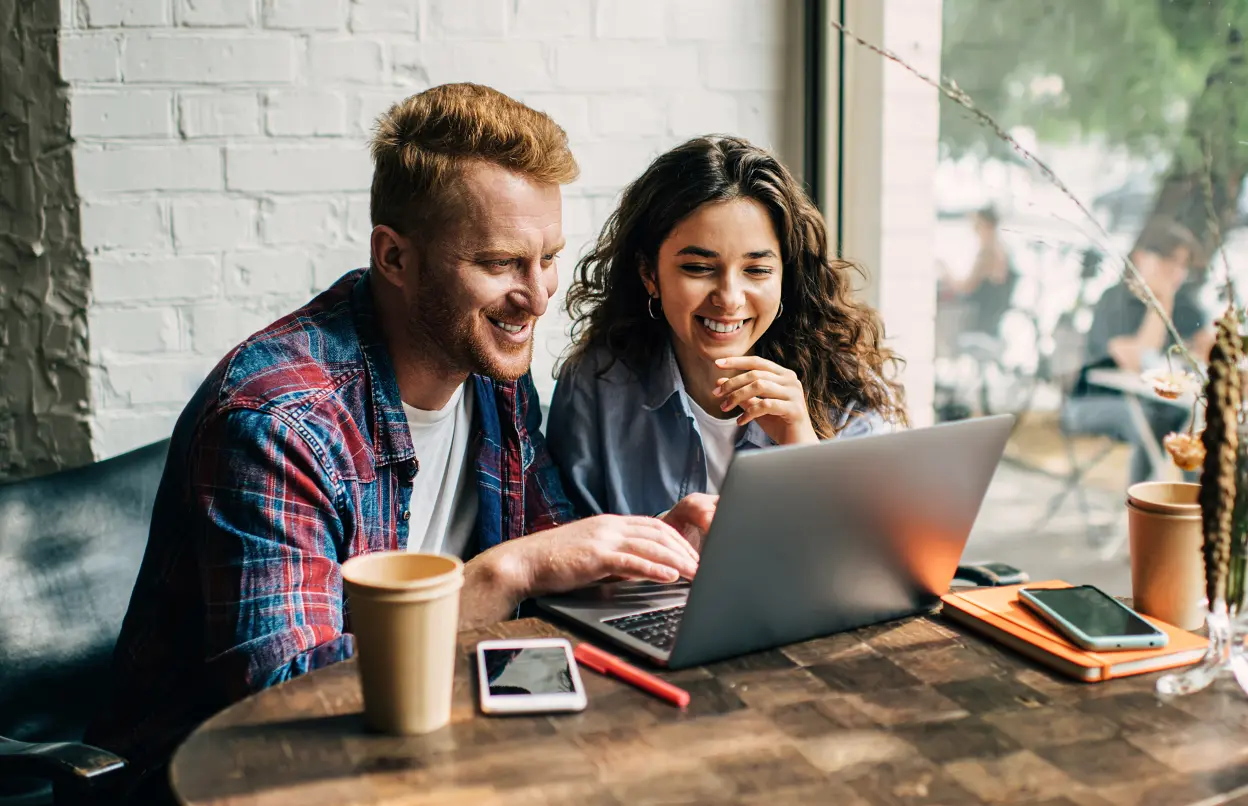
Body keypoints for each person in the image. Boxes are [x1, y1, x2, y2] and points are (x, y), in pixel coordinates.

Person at [85, 83, 715, 796]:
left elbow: (549, 548)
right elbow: (287, 698)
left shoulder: (492, 371)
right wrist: (501, 575)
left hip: (419, 747)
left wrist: (633, 554)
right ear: (394, 257)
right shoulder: (275, 424)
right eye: (501, 262)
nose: (538, 296)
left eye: (547, 258)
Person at [546, 135, 906, 519]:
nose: (730, 298)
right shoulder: (596, 385)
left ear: (786, 274)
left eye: (757, 270)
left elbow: (866, 561)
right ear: (650, 274)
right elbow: (566, 549)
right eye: (699, 268)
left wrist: (800, 442)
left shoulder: (844, 389)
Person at [1064, 219, 1214, 485]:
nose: (1176, 271)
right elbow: (1135, 361)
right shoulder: (1116, 300)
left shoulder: (1186, 305)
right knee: (1149, 420)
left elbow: (1207, 350)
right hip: (1093, 401)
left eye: (1182, 264)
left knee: (1193, 425)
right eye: (1168, 260)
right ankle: (1142, 504)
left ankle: (1201, 508)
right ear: (1141, 257)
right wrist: (1162, 303)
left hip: (1156, 405)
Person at [938, 205, 1019, 338]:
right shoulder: (1002, 251)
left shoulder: (987, 254)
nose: (974, 229)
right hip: (993, 325)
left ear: (988, 226)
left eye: (977, 224)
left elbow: (966, 287)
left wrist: (945, 270)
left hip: (980, 327)